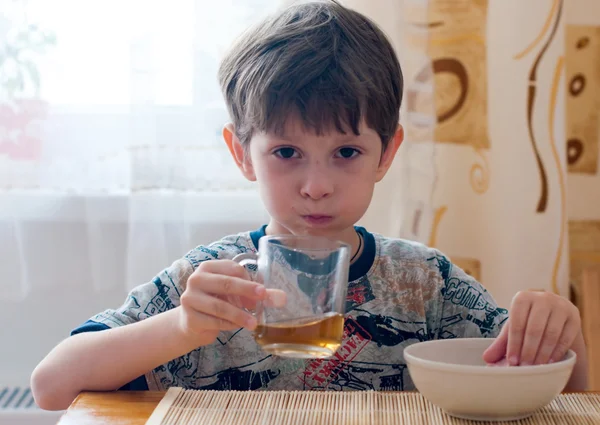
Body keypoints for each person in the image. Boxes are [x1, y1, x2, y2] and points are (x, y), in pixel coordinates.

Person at [31, 0, 588, 411]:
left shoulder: (427, 283)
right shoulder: (207, 287)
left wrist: (561, 334)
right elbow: (51, 384)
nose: (316, 185)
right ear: (241, 154)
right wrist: (180, 328)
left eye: (346, 151)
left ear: (386, 153)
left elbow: (564, 391)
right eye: (286, 152)